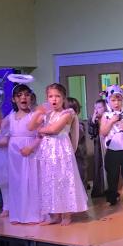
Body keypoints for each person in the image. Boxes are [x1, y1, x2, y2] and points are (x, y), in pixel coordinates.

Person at [30, 83, 89, 226]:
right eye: (50, 96)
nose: (54, 99)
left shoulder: (68, 113)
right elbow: (31, 127)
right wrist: (38, 113)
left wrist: (41, 130)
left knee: (63, 178)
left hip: (61, 148)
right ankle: (55, 214)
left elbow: (54, 130)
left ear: (63, 98)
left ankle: (66, 214)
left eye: (57, 96)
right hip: (47, 150)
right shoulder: (48, 114)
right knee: (50, 180)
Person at [2, 76, 42, 224]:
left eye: (26, 95)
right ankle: (18, 214)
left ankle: (33, 214)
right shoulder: (11, 116)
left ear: (31, 97)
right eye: (19, 95)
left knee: (30, 181)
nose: (23, 98)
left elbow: (41, 135)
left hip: (30, 150)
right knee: (17, 182)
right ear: (14, 99)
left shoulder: (34, 115)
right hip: (14, 154)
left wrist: (31, 147)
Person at [66, 97, 88, 188]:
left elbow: (78, 135)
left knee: (80, 175)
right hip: (67, 155)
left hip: (78, 155)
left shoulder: (79, 123)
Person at [88, 98, 108, 197]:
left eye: (99, 107)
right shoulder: (93, 119)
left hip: (108, 143)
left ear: (105, 108)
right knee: (99, 165)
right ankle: (100, 189)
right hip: (99, 145)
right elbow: (91, 133)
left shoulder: (109, 117)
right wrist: (93, 121)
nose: (97, 110)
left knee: (109, 165)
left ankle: (111, 188)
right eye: (95, 108)